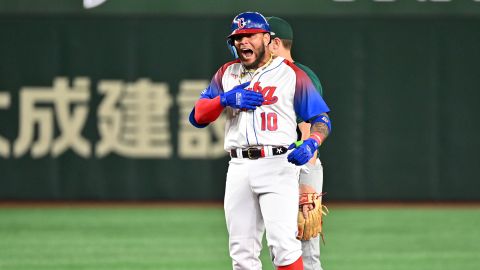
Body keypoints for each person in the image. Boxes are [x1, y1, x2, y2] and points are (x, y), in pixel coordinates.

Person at [189, 11, 331, 270]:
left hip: (278, 164)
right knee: (241, 253)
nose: (243, 42)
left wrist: (313, 142)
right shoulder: (226, 74)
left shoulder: (291, 74)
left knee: (284, 248)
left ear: (267, 39)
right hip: (239, 167)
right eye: (238, 38)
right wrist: (223, 99)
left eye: (249, 36)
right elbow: (197, 116)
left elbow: (321, 118)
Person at [267, 16, 327, 270]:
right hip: (272, 168)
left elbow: (308, 129)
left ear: (275, 43)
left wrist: (306, 184)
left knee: (305, 251)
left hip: (298, 168)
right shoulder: (270, 75)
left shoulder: (299, 76)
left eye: (260, 39)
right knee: (279, 247)